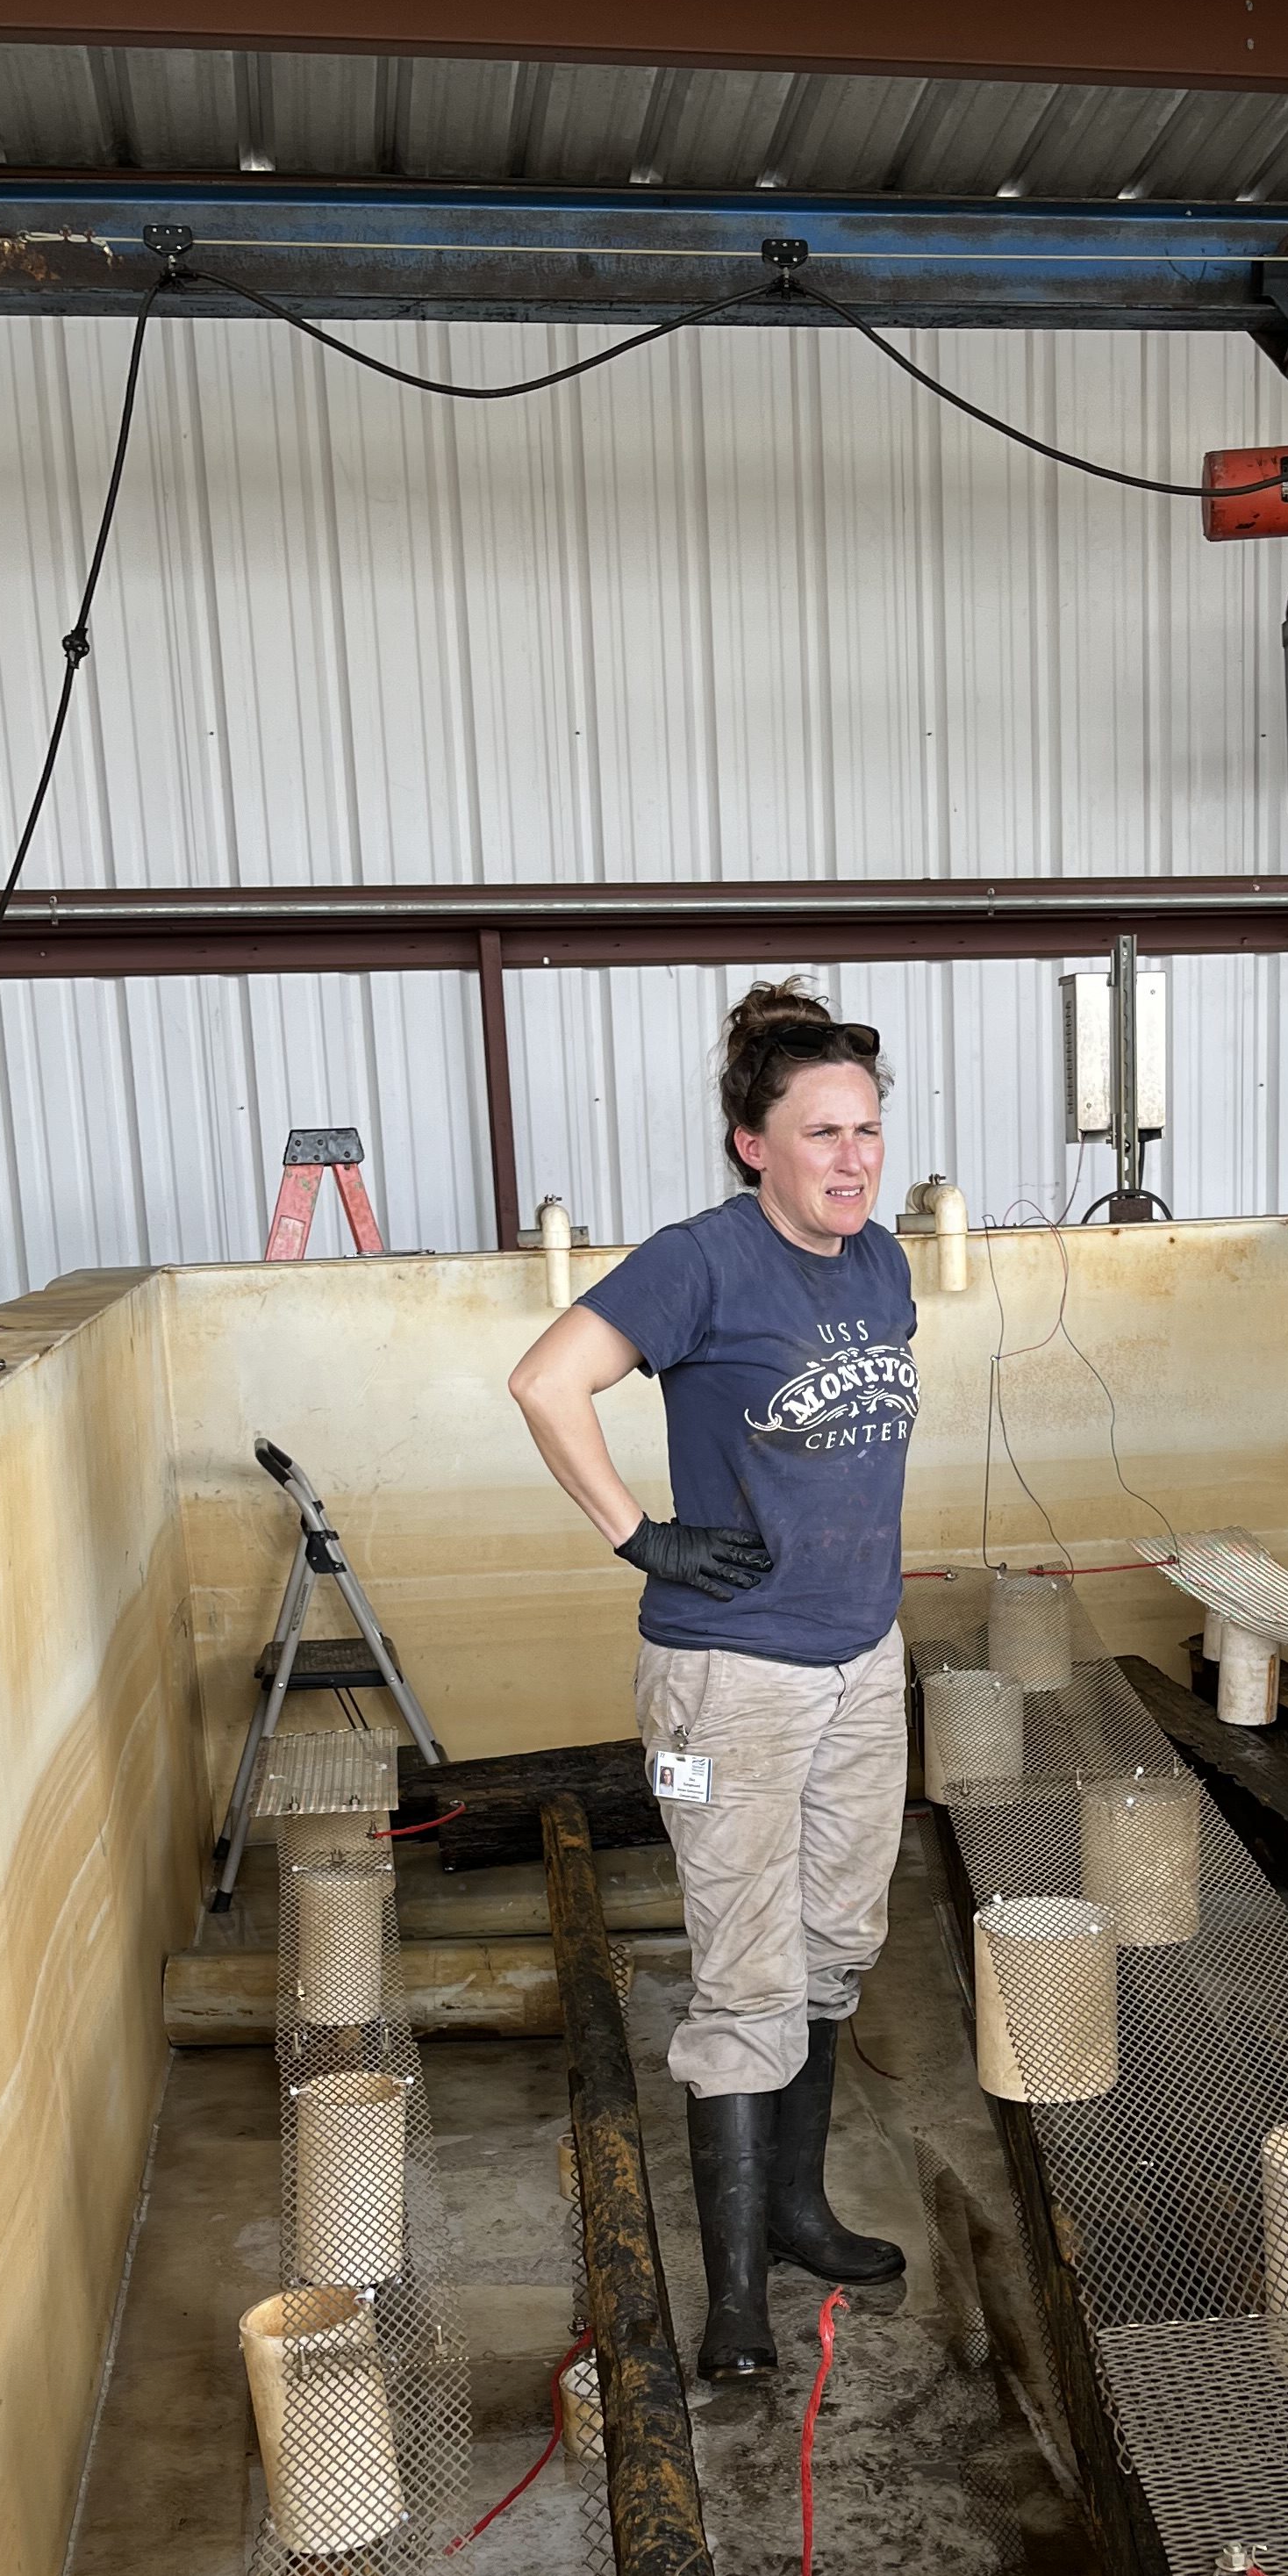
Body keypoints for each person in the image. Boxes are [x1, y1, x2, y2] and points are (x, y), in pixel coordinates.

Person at [507, 983, 919, 2382]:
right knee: (747, 1975)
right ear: (755, 1144)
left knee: (836, 1946)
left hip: (863, 1659)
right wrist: (640, 1533)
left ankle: (798, 2213)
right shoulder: (701, 1262)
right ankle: (735, 2295)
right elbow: (547, 1381)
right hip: (731, 1680)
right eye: (823, 1133)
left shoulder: (879, 1265)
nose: (854, 1158)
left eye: (867, 1129)